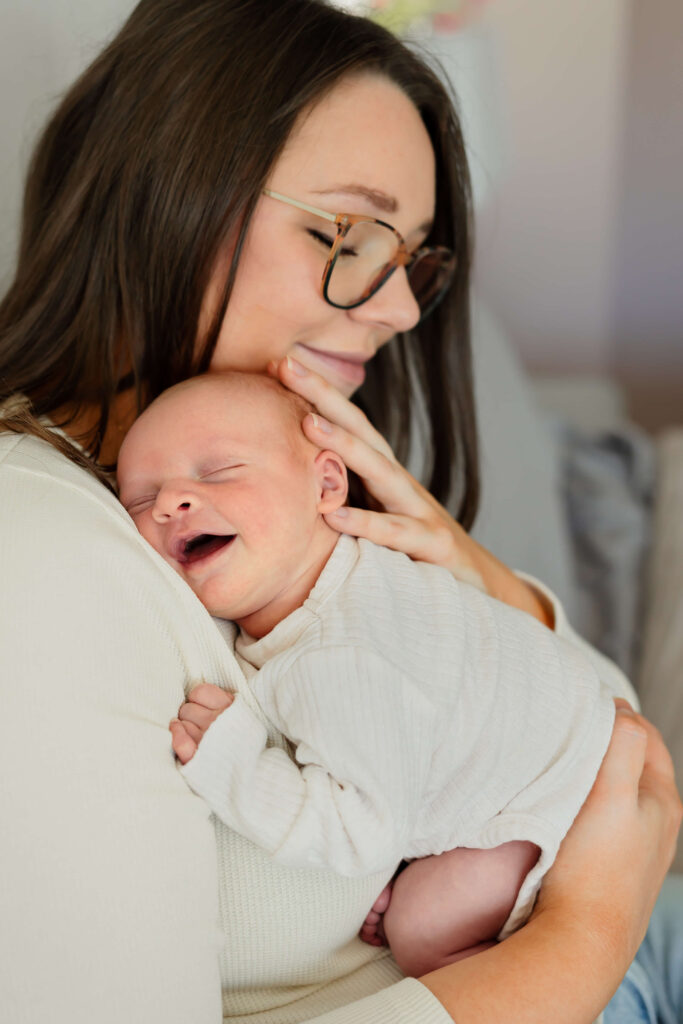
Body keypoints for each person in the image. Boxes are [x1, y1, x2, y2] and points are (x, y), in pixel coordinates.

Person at [0, 1, 680, 1022]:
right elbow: (622, 829)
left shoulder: (296, 478)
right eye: (349, 232)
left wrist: (474, 575)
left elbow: (617, 758)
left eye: (409, 257)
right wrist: (585, 932)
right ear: (166, 190)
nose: (401, 308)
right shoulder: (42, 557)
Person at [117, 368, 634, 976]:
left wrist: (235, 763)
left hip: (558, 794)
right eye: (141, 502)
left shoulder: (339, 653)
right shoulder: (358, 577)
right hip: (575, 743)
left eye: (220, 471)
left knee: (419, 928)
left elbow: (359, 836)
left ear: (327, 483)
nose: (172, 502)